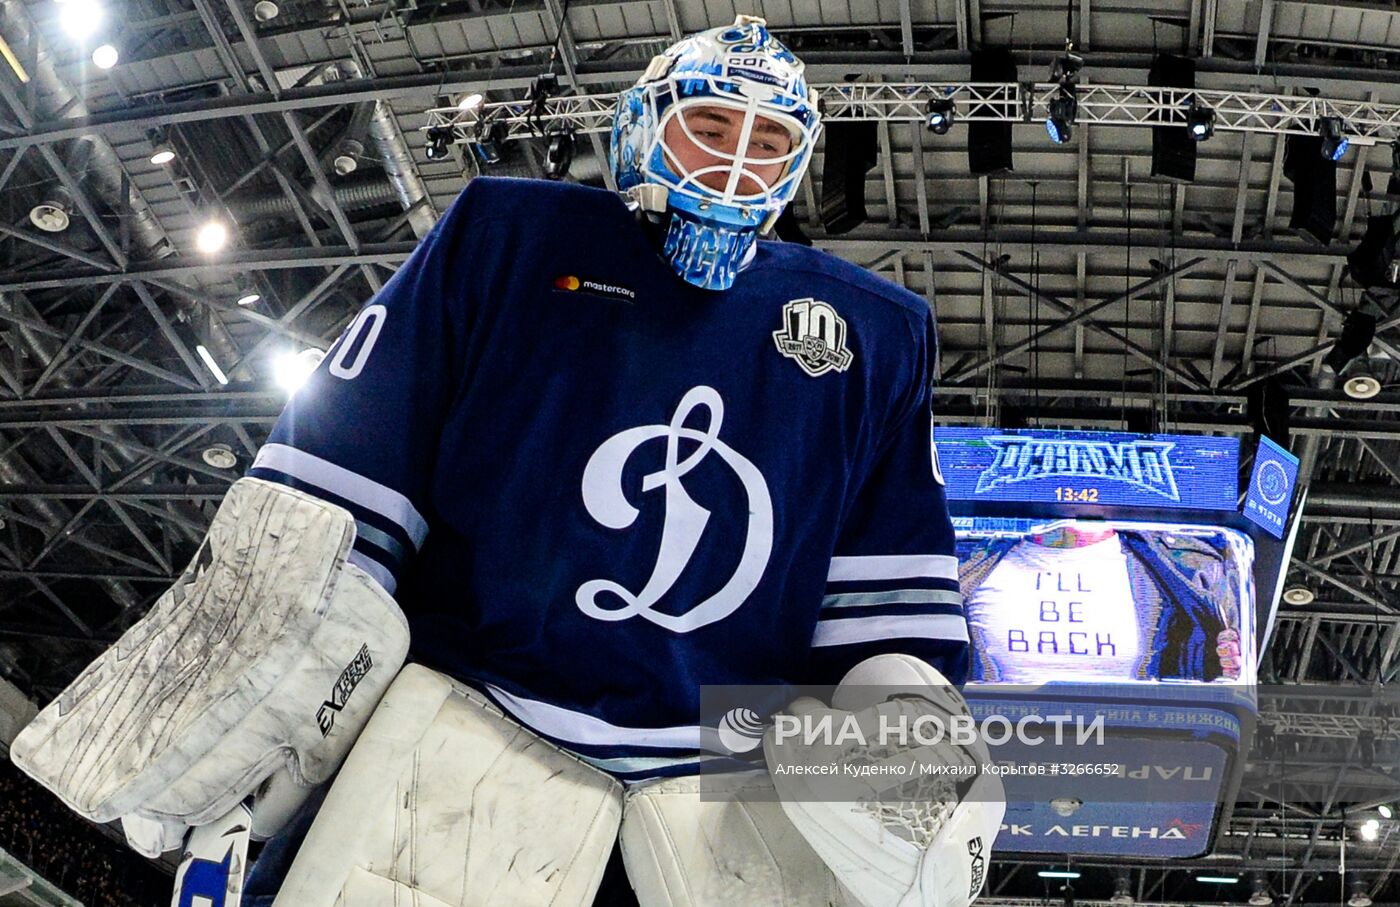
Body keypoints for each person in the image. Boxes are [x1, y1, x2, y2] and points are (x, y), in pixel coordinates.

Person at [13, 16, 1004, 907]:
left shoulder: (874, 334)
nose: (734, 167)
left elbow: (883, 611)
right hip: (466, 728)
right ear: (639, 123)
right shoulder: (506, 235)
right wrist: (271, 684)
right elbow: (338, 500)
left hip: (718, 789)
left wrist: (903, 729)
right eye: (710, 127)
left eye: (769, 143)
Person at [957, 521, 1247, 683]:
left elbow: (1218, 657)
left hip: (1129, 752)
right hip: (997, 749)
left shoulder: (1183, 565)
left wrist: (1227, 662)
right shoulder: (965, 560)